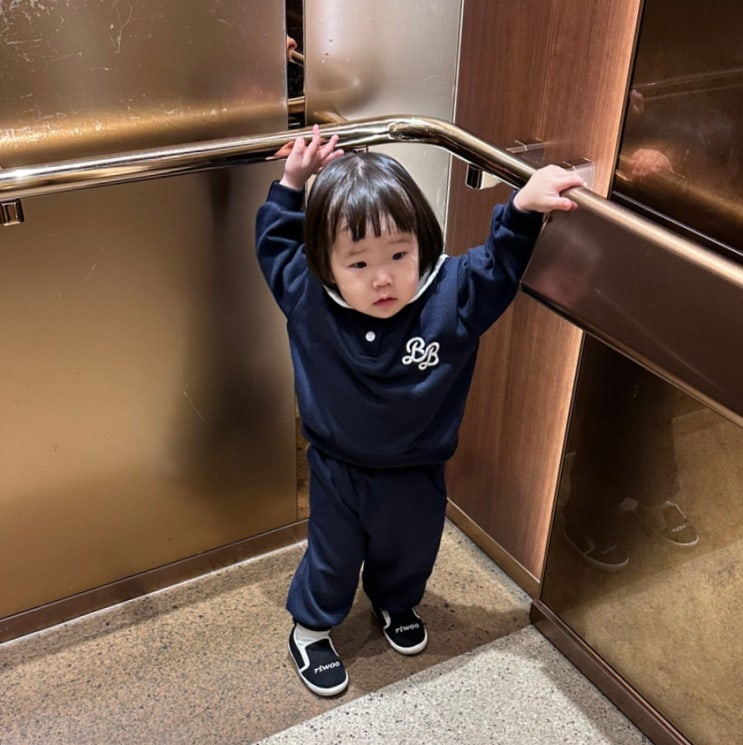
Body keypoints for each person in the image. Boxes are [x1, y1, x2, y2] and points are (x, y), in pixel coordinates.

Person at [255, 125, 585, 697]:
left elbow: (498, 266)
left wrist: (523, 209)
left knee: (409, 550)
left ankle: (396, 602)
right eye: (358, 264)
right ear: (326, 264)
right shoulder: (308, 295)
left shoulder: (450, 294)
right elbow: (276, 244)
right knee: (333, 558)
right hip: (337, 469)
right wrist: (291, 184)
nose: (383, 277)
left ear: (421, 243)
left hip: (418, 468)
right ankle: (310, 629)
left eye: (398, 254)